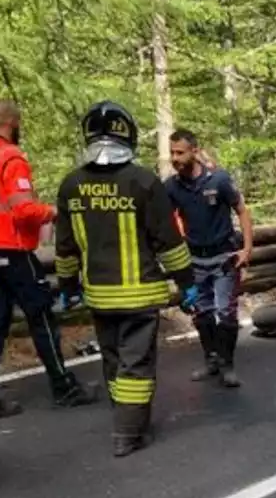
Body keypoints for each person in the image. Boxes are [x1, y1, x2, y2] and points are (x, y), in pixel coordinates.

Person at [54, 102, 198, 457]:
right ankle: (128, 432)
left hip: (99, 297)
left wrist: (69, 288)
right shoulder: (144, 181)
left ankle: (126, 418)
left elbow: (65, 247)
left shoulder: (71, 185)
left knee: (113, 358)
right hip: (140, 296)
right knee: (137, 362)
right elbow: (168, 241)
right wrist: (187, 282)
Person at [0, 100, 96, 423]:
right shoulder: (10, 157)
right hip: (12, 251)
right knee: (42, 316)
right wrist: (54, 211)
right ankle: (63, 387)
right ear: (11, 123)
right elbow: (22, 209)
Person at [166, 129, 254, 387]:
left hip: (224, 257)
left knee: (225, 312)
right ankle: (211, 359)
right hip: (194, 260)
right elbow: (163, 222)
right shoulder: (171, 187)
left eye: (180, 152)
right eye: (172, 153)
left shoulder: (219, 180)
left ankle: (228, 364)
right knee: (201, 312)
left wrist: (247, 249)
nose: (175, 158)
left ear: (194, 151)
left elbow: (242, 211)